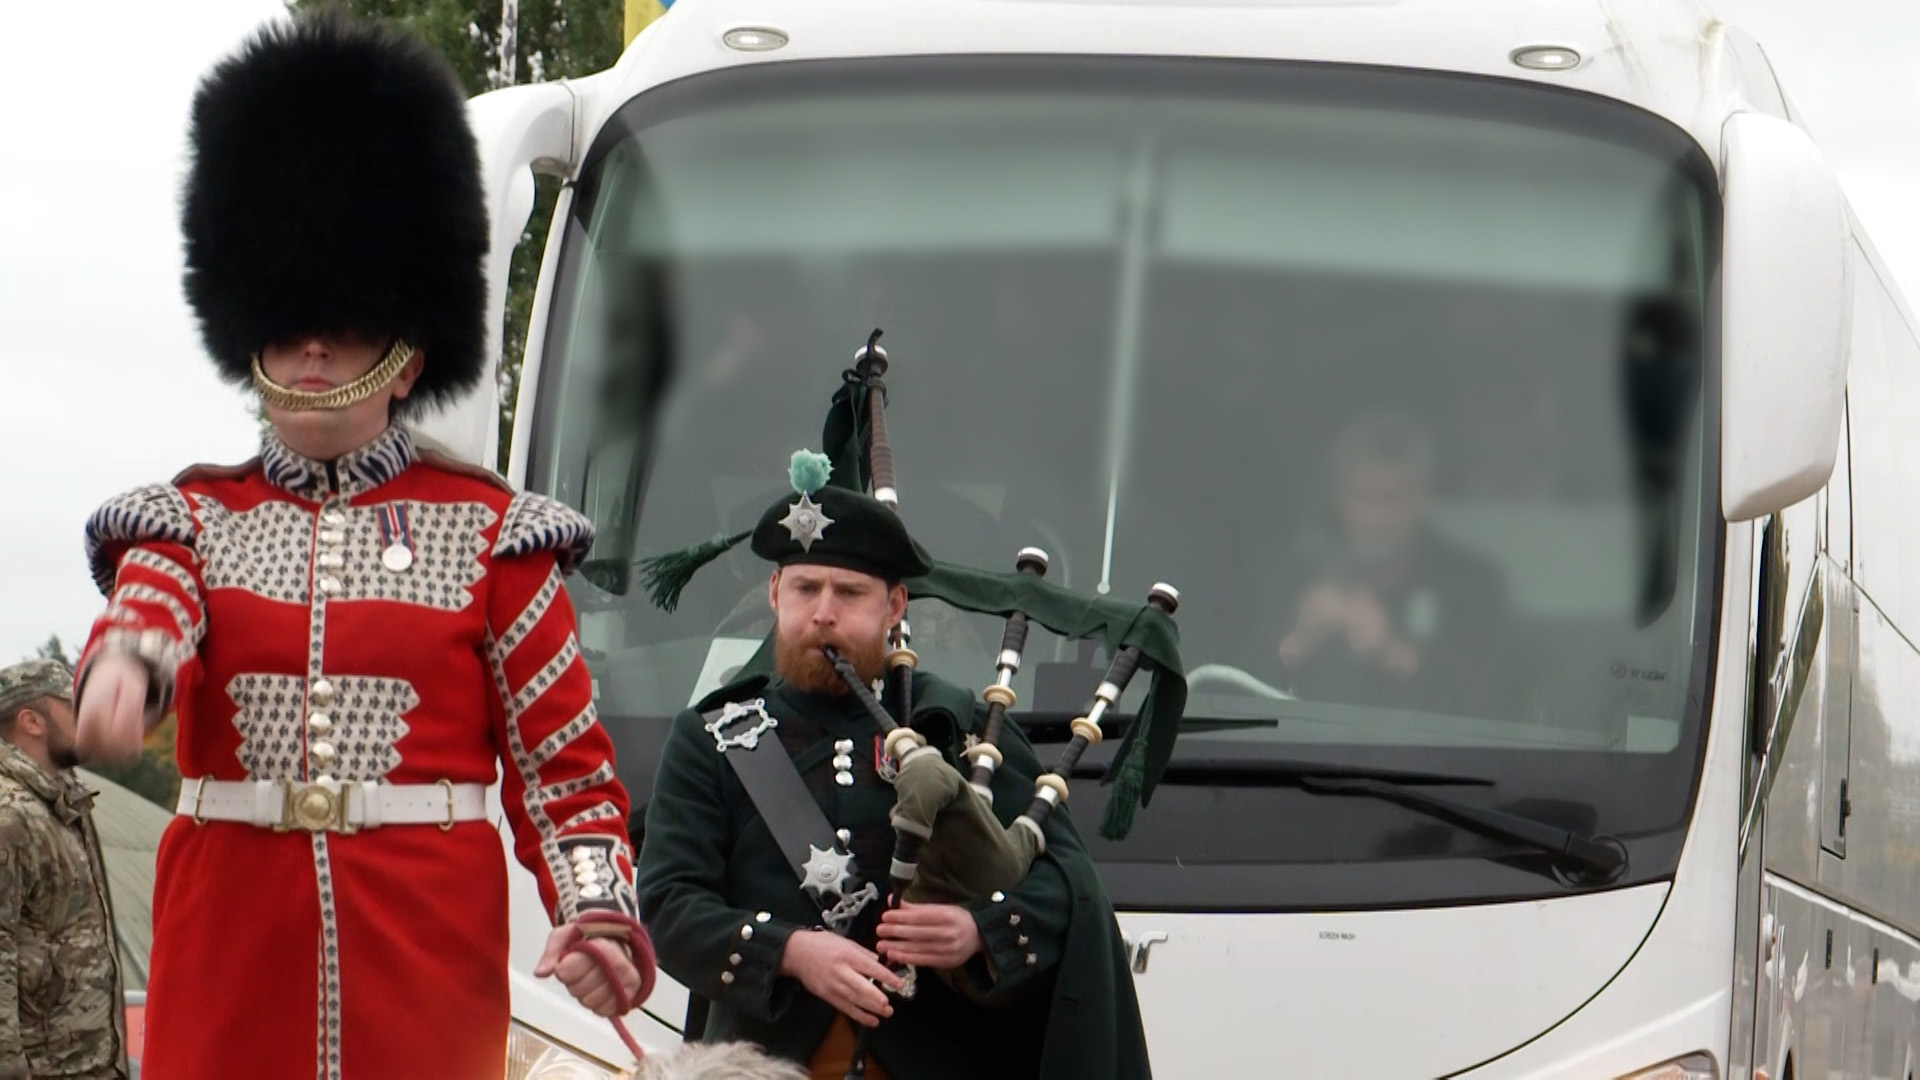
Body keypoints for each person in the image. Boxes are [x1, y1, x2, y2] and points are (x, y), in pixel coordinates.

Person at [69, 13, 650, 1078]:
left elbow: (562, 769)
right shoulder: (191, 518)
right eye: (288, 324)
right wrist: (127, 671)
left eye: (342, 324)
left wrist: (598, 915)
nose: (312, 345)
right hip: (231, 957)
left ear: (405, 354)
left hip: (424, 962)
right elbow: (152, 610)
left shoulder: (495, 538)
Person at [637, 453, 1151, 1080]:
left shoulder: (960, 727)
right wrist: (793, 952)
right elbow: (669, 905)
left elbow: (1068, 886)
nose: (823, 612)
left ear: (895, 605)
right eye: (805, 588)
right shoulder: (710, 738)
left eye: (850, 593)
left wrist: (978, 929)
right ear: (774, 594)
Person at [1274, 411, 1514, 717]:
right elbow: (1231, 695)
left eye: (1391, 498)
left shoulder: (1472, 585)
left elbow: (1491, 706)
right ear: (1338, 499)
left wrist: (1393, 653)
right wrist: (1298, 643)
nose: (1375, 519)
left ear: (1423, 497)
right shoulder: (1299, 578)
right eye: (1361, 497)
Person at [0, 661, 127, 1080]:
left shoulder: (63, 803)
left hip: (89, 1066)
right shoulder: (10, 815)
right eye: (76, 707)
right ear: (31, 721)